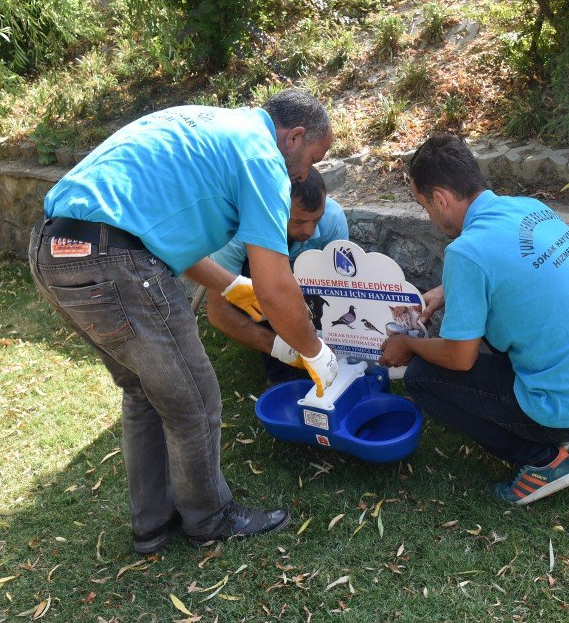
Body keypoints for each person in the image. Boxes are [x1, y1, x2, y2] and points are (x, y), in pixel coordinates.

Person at [27, 90, 340, 554]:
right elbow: (277, 287)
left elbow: (161, 233)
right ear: (293, 137)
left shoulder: (204, 123)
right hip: (115, 262)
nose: (304, 173)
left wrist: (233, 286)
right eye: (312, 157)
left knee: (144, 390)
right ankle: (209, 516)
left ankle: (151, 525)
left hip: (54, 250)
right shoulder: (263, 159)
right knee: (196, 397)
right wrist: (315, 352)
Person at [379, 133, 569, 505]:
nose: (431, 216)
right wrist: (441, 292)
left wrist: (406, 343)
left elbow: (459, 357)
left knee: (422, 379)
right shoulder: (528, 209)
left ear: (439, 198)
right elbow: (512, 277)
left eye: (425, 206)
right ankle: (548, 432)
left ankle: (544, 460)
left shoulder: (466, 251)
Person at [206, 167, 349, 385]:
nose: (309, 231)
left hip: (308, 281)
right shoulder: (235, 232)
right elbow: (217, 312)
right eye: (299, 222)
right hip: (261, 280)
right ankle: (281, 372)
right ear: (275, 209)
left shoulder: (333, 217)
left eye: (316, 220)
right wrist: (280, 348)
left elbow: (343, 287)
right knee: (260, 283)